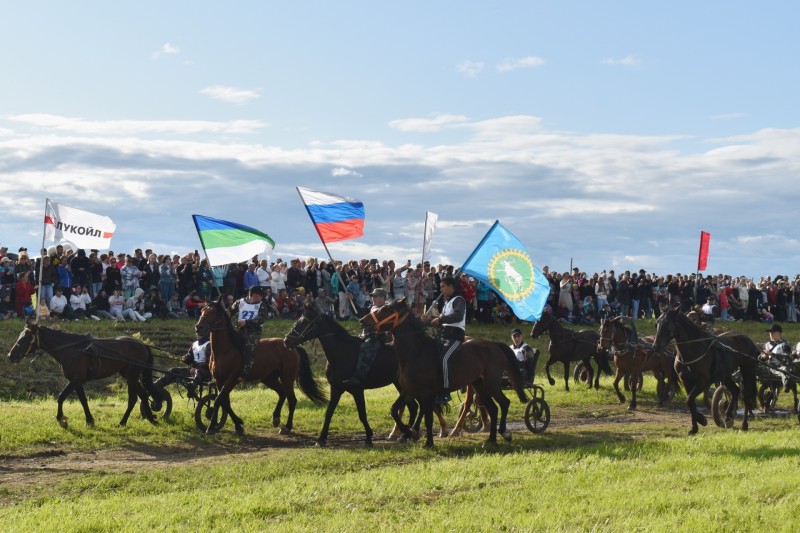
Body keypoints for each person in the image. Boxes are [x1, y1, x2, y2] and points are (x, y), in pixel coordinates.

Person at [427, 276, 466, 404]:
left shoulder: (458, 300)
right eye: (441, 287)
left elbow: (458, 316)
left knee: (444, 359)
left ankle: (445, 392)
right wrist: (427, 321)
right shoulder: (447, 302)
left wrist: (441, 319)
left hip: (455, 336)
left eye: (443, 286)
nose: (441, 289)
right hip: (444, 335)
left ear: (451, 287)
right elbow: (441, 321)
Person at [342, 288, 390, 385]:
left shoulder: (386, 309)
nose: (373, 299)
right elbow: (359, 313)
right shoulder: (371, 307)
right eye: (372, 297)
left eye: (375, 296)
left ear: (382, 297)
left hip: (380, 337)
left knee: (365, 347)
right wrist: (352, 300)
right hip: (367, 335)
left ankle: (359, 377)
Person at [154, 333, 212, 399]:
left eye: (200, 333)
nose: (198, 334)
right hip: (192, 370)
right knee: (173, 370)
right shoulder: (194, 344)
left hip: (205, 372)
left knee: (198, 371)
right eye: (197, 333)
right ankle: (158, 384)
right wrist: (185, 358)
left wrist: (196, 369)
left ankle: (192, 387)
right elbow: (190, 356)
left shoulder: (209, 344)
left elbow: (210, 361)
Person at [229, 285, 268, 379]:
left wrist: (246, 322)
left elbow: (261, 319)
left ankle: (245, 372)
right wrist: (226, 312)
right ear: (252, 295)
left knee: (249, 346)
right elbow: (230, 311)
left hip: (253, 331)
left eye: (261, 296)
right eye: (259, 296)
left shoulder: (262, 305)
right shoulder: (239, 302)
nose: (260, 297)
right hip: (238, 329)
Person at [761, 324, 793, 390]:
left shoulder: (785, 344)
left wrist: (771, 354)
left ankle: (786, 384)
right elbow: (760, 358)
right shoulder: (766, 344)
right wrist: (764, 356)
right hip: (767, 367)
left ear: (778, 333)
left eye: (772, 332)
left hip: (780, 367)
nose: (770, 334)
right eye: (770, 333)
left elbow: (787, 358)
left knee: (785, 370)